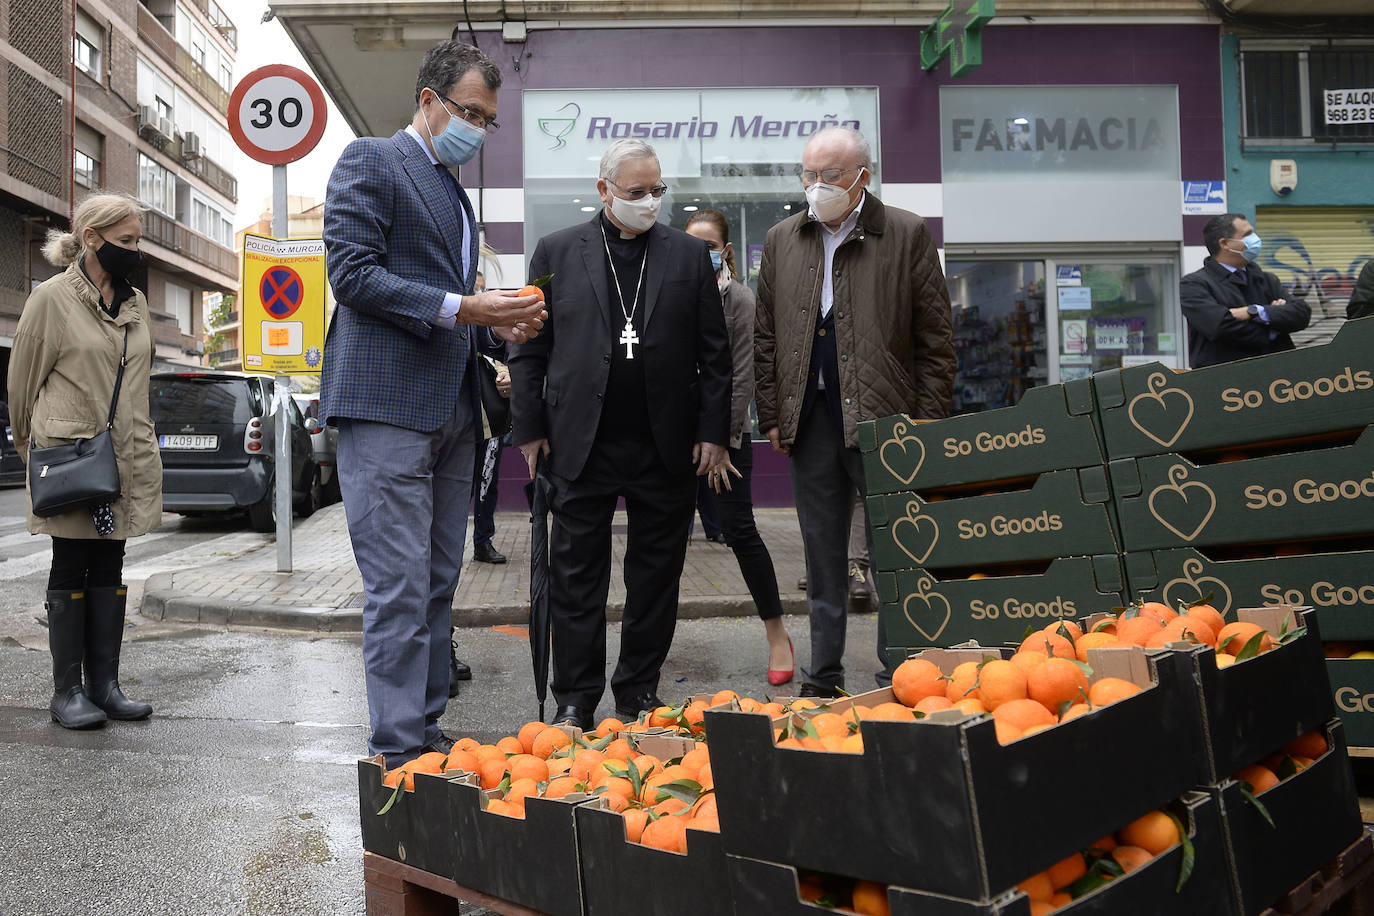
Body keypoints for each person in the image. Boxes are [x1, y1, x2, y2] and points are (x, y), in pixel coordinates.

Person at [321, 40, 546, 766]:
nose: (478, 129)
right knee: (398, 584)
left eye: (488, 120)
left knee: (439, 579)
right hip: (386, 405)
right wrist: (469, 308)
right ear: (428, 100)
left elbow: (452, 304)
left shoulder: (453, 193)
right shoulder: (371, 161)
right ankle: (397, 748)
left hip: (452, 409)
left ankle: (422, 727)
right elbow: (353, 275)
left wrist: (498, 323)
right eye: (469, 112)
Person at [509, 139, 731, 731]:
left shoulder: (689, 256)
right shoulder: (557, 251)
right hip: (580, 442)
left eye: (657, 190)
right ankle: (575, 699)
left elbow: (715, 355)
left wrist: (714, 432)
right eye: (637, 192)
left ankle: (637, 692)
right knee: (576, 577)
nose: (650, 201)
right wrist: (528, 429)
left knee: (655, 578)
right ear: (604, 190)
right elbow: (529, 348)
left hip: (666, 443)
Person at [754, 126, 956, 697]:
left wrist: (928, 420)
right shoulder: (782, 238)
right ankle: (824, 676)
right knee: (821, 556)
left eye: (830, 175)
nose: (816, 185)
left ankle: (899, 672)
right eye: (808, 174)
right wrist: (772, 414)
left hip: (888, 420)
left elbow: (936, 338)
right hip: (811, 417)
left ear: (862, 176)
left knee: (897, 553)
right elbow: (765, 335)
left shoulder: (906, 233)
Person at [8, 193, 162, 729]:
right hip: (73, 459)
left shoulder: (136, 303)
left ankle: (106, 686)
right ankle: (67, 692)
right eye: (125, 240)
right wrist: (39, 453)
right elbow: (21, 388)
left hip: (124, 459)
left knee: (111, 564)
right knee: (71, 562)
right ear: (91, 239)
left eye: (137, 240)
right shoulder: (50, 299)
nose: (134, 250)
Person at [684, 209, 795, 685]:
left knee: (740, 532)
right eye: (693, 247)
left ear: (726, 251)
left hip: (726, 438)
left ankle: (777, 635)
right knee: (662, 541)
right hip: (675, 436)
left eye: (709, 247)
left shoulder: (741, 300)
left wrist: (723, 441)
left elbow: (742, 376)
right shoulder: (672, 294)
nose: (701, 255)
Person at [1180, 213, 1310, 368]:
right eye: (1247, 235)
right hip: (1226, 378)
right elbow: (1219, 327)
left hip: (1278, 374)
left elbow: (1301, 313)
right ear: (1225, 243)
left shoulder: (1267, 279)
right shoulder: (1194, 284)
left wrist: (1254, 311)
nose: (1256, 239)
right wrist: (1274, 328)